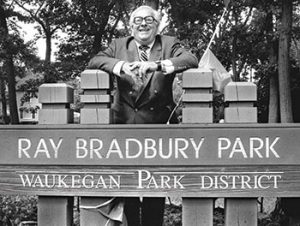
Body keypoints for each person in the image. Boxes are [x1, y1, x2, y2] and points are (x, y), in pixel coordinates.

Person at [87, 5, 198, 226]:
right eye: (137, 20)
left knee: (154, 193)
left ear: (157, 25)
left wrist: (155, 65)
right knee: (127, 189)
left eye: (149, 19)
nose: (143, 24)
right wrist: (120, 66)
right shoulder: (119, 45)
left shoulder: (168, 43)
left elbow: (190, 59)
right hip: (124, 127)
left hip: (157, 129)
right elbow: (95, 61)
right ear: (130, 26)